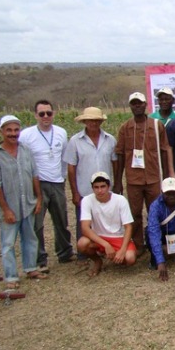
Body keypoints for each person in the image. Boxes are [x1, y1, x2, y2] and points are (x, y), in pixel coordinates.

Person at [0, 115, 47, 290]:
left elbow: (34, 175)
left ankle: (31, 268)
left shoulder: (25, 150)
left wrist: (38, 199)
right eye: (9, 130)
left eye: (15, 130)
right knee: (8, 243)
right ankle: (11, 276)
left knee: (30, 238)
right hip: (10, 205)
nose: (13, 134)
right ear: (1, 131)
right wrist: (5, 209)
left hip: (27, 202)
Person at [114, 92, 173, 256]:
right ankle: (139, 245)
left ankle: (157, 244)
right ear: (130, 106)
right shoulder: (125, 128)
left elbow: (164, 151)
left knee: (156, 213)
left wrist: (167, 178)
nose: (137, 106)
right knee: (135, 214)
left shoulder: (156, 125)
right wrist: (118, 181)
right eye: (134, 103)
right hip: (134, 180)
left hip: (154, 178)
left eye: (140, 103)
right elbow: (119, 154)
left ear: (145, 105)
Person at [19, 100, 74, 272]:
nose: (45, 117)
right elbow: (22, 159)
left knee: (61, 220)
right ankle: (39, 258)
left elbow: (64, 158)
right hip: (37, 183)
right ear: (35, 115)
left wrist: (62, 178)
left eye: (48, 113)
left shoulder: (60, 133)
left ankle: (64, 252)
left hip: (57, 181)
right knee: (37, 223)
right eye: (41, 113)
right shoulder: (26, 135)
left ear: (53, 114)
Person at [64, 107, 117, 263]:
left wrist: (117, 184)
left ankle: (104, 249)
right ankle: (84, 253)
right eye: (90, 120)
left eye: (96, 120)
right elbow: (71, 167)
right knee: (84, 222)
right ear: (84, 122)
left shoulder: (110, 140)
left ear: (101, 121)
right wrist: (74, 192)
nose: (93, 123)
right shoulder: (75, 141)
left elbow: (115, 163)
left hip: (107, 191)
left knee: (105, 221)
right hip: (85, 190)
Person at [77, 172, 137, 277]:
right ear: (92, 188)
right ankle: (97, 261)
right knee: (82, 243)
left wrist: (122, 250)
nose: (100, 190)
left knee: (130, 259)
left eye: (103, 186)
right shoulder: (87, 200)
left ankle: (116, 257)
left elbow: (128, 227)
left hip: (118, 237)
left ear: (109, 186)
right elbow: (85, 228)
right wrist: (106, 245)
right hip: (99, 238)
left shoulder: (120, 200)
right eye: (96, 187)